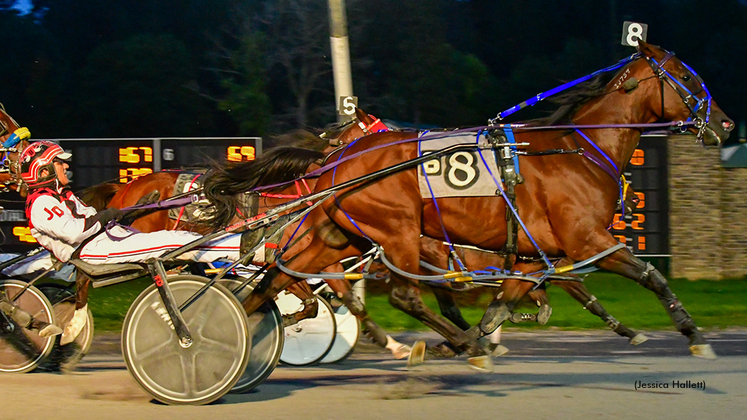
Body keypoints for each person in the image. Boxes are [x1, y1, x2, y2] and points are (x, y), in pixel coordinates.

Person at [20, 140, 262, 344]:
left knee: (177, 238)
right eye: (58, 162)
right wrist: (106, 214)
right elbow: (74, 233)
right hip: (94, 251)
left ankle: (240, 251)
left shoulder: (60, 195)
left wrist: (127, 212)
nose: (65, 165)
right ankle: (246, 247)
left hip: (109, 238)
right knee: (173, 241)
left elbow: (93, 221)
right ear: (44, 171)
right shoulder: (41, 204)